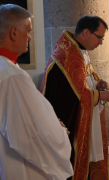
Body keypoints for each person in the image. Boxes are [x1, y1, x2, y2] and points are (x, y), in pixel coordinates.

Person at [0, 4, 73, 179]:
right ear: (14, 33)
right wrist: (59, 130)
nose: (30, 37)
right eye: (28, 31)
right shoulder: (12, 77)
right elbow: (29, 134)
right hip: (18, 165)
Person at [40, 15, 109, 180]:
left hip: (87, 118)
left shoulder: (78, 51)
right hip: (70, 123)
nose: (101, 42)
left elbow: (83, 82)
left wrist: (96, 84)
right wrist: (100, 95)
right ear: (86, 32)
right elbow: (73, 96)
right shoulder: (67, 56)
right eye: (100, 37)